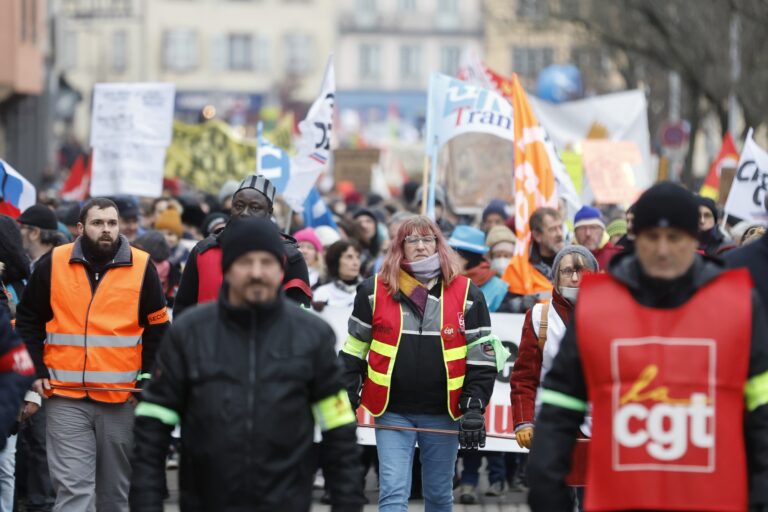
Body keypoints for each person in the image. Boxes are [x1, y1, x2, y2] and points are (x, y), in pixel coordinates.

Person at [527, 183, 768, 511]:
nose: (664, 250)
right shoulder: (599, 306)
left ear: (694, 240)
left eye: (675, 238)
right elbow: (559, 406)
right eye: (652, 237)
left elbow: (761, 413)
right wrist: (547, 490)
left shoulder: (737, 303)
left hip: (711, 498)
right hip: (621, 497)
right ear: (635, 239)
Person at [129, 217, 365, 511]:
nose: (256, 273)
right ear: (227, 268)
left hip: (286, 501)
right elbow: (153, 427)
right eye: (245, 262)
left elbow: (340, 432)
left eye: (266, 262)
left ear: (280, 268)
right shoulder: (189, 332)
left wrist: (348, 502)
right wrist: (146, 502)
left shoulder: (312, 336)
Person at [15, 197, 170, 512]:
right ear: (80, 228)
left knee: (115, 496)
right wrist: (37, 373)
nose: (107, 230)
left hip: (122, 398)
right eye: (98, 223)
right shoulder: (53, 263)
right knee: (74, 493)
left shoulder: (142, 266)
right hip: (65, 398)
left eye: (112, 223)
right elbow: (28, 320)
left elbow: (158, 330)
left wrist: (145, 378)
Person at [340, 215, 502, 511]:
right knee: (392, 495)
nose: (421, 246)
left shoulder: (468, 294)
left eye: (428, 239)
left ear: (439, 245)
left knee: (439, 497)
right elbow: (353, 352)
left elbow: (482, 358)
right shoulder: (373, 291)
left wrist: (474, 405)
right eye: (411, 239)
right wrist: (345, 403)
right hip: (392, 413)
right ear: (399, 247)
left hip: (443, 413)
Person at [173, 174, 311, 316]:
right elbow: (183, 310)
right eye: (238, 206)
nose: (244, 213)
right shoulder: (203, 251)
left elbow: (299, 320)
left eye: (255, 208)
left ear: (269, 212)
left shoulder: (291, 258)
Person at [502, 207, 564, 312]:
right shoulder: (517, 267)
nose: (559, 234)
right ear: (537, 235)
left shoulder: (574, 260)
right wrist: (520, 304)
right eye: (553, 229)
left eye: (560, 228)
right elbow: (503, 307)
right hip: (534, 326)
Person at [448, 225, 510, 313]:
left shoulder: (499, 288)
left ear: (466, 258)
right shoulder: (446, 282)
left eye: (452, 253)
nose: (447, 259)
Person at [312, 240, 362, 310]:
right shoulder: (321, 293)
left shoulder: (367, 292)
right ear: (336, 261)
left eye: (358, 257)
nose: (356, 263)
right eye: (349, 257)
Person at [18, 204, 64, 271]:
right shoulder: (45, 264)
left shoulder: (51, 269)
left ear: (35, 233)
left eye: (21, 227)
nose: (18, 231)